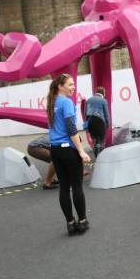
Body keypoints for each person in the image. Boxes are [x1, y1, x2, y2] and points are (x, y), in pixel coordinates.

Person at [47, 74, 91, 235]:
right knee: (77, 186)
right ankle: (82, 221)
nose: (73, 87)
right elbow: (71, 128)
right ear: (60, 86)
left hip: (55, 150)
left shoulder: (52, 102)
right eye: (70, 84)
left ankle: (70, 223)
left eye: (73, 84)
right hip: (68, 150)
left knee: (64, 188)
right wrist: (81, 150)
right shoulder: (66, 102)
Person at [83, 86, 110, 159]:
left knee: (95, 139)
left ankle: (96, 157)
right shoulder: (103, 101)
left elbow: (85, 113)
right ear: (103, 93)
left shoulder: (88, 100)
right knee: (101, 139)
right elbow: (106, 114)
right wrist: (108, 125)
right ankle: (102, 157)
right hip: (99, 121)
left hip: (90, 121)